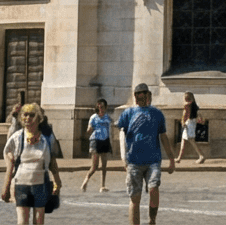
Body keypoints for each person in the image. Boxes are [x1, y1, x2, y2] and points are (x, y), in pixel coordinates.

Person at [117, 85, 166, 225]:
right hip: (134, 161)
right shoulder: (128, 113)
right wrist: (123, 158)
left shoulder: (157, 113)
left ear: (148, 96)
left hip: (153, 160)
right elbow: (121, 134)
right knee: (135, 198)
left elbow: (163, 136)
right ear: (135, 96)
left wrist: (172, 158)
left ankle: (152, 220)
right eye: (138, 95)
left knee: (154, 189)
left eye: (144, 95)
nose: (141, 98)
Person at [1, 106, 59, 225]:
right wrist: (6, 187)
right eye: (25, 115)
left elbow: (52, 161)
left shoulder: (47, 138)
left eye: (32, 115)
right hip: (21, 184)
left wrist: (57, 181)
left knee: (38, 221)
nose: (28, 118)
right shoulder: (17, 137)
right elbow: (10, 164)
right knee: (22, 222)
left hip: (41, 184)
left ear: (39, 118)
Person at [82, 100, 113, 193]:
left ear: (105, 107)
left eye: (102, 107)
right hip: (95, 141)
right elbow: (89, 128)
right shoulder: (94, 117)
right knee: (95, 166)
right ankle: (85, 181)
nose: (100, 109)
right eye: (99, 107)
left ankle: (102, 186)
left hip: (105, 141)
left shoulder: (107, 117)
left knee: (104, 166)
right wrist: (89, 129)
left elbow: (112, 127)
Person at [177, 95, 204, 164]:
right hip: (191, 123)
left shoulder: (188, 106)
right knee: (184, 140)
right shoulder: (194, 107)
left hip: (189, 123)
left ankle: (201, 155)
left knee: (191, 140)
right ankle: (179, 158)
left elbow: (185, 115)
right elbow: (200, 118)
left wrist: (183, 122)